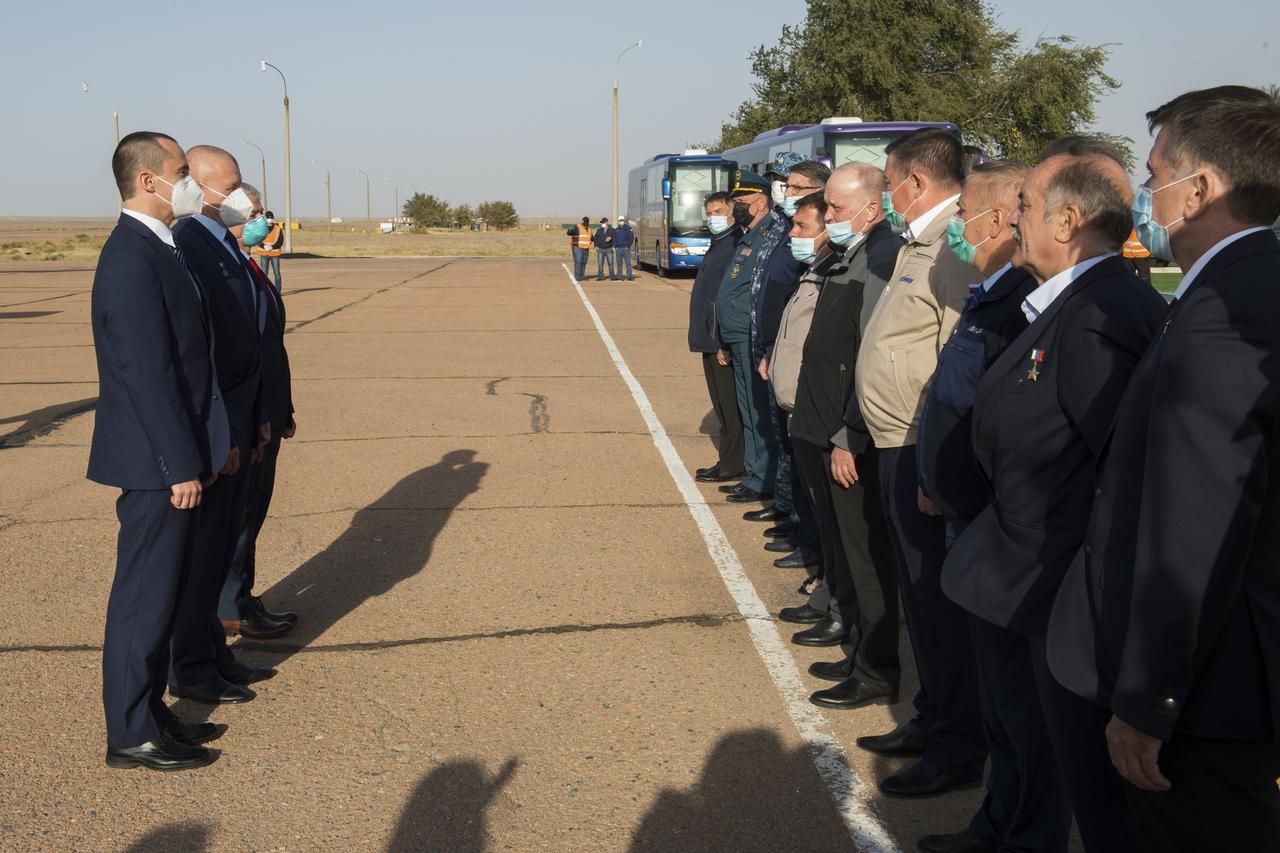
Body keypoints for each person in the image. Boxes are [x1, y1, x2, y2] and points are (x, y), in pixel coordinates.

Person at [1048, 86, 1280, 853]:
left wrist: (1151, 701)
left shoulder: (1223, 309)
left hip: (1209, 697)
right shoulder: (1237, 285)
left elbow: (1196, 525)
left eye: (1155, 175)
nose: (1148, 194)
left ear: (1203, 188)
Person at [943, 149, 1165, 851]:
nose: (1013, 219)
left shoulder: (1103, 312)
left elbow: (1119, 476)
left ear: (1070, 220)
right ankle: (1006, 828)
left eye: (1028, 208)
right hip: (1021, 572)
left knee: (1080, 777)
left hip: (1057, 583)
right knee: (1018, 727)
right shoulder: (1065, 303)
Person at [915, 161, 1066, 853]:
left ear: (1005, 213)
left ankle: (1026, 833)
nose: (963, 225)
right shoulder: (995, 294)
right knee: (1005, 707)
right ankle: (999, 822)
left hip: (1002, 533)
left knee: (1024, 711)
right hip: (972, 523)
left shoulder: (1024, 305)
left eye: (969, 210)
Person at [853, 129, 987, 798]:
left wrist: (938, 465)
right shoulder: (918, 245)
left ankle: (957, 744)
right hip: (895, 442)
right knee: (919, 596)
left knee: (936, 604)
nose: (887, 192)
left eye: (891, 180)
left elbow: (954, 366)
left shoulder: (950, 249)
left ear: (917, 183)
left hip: (918, 447)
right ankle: (934, 716)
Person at [91, 131, 228, 771]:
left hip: (173, 457)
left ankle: (153, 714)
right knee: (143, 600)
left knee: (163, 596)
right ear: (148, 180)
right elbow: (149, 374)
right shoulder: (129, 257)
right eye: (179, 172)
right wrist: (180, 466)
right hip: (156, 465)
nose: (190, 183)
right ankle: (129, 734)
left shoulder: (159, 247)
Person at [776, 168, 900, 716]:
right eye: (824, 211)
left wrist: (849, 432)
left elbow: (869, 355)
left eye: (835, 210)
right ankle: (852, 637)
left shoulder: (880, 258)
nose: (828, 221)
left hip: (842, 434)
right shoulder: (846, 258)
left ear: (870, 209)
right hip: (817, 424)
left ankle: (875, 667)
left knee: (865, 557)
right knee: (841, 544)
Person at [169, 145, 276, 705]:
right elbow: (203, 352)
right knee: (204, 552)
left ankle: (213, 655)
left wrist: (257, 416)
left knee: (216, 551)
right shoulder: (191, 246)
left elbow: (249, 344)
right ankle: (190, 667)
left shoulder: (224, 247)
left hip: (241, 417)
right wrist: (220, 432)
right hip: (219, 424)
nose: (240, 194)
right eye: (229, 184)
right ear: (202, 187)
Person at [218, 184, 298, 640]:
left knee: (254, 513)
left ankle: (241, 598)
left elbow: (270, 347)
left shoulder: (249, 265)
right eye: (253, 211)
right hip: (246, 418)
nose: (262, 219)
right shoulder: (223, 268)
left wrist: (282, 408)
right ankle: (231, 605)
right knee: (241, 517)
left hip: (266, 411)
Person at [757, 159, 832, 570]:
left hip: (809, 389)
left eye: (796, 187)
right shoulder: (806, 258)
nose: (786, 192)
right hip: (781, 366)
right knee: (792, 459)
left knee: (811, 478)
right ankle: (798, 526)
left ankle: (809, 542)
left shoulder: (832, 266)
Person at [715, 170, 779, 504]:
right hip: (736, 334)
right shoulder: (747, 234)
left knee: (757, 409)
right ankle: (753, 474)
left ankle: (762, 477)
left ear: (760, 203)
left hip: (751, 334)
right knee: (746, 406)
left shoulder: (770, 234)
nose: (734, 207)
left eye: (740, 202)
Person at [688, 192, 744, 485]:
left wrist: (723, 341)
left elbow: (728, 298)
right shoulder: (720, 243)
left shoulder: (735, 244)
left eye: (719, 211)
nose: (713, 217)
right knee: (721, 404)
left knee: (728, 404)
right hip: (708, 337)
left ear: (732, 212)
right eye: (709, 212)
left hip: (718, 338)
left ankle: (733, 463)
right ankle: (729, 459)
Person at [252, 210, 284, 288]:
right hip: (264, 254)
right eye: (268, 217)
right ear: (265, 218)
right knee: (264, 274)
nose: (270, 219)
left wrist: (272, 247)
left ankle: (277, 291)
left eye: (271, 217)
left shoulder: (278, 229)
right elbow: (257, 239)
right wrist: (264, 246)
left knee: (277, 273)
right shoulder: (261, 228)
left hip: (274, 254)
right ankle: (265, 290)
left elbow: (280, 241)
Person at [613, 216, 635, 281]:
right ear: (618, 221)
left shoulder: (628, 228)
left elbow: (631, 238)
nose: (621, 221)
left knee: (628, 263)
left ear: (624, 220)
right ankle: (619, 276)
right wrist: (615, 247)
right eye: (620, 220)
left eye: (622, 220)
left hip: (626, 249)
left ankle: (629, 276)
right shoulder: (616, 229)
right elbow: (614, 239)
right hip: (618, 249)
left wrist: (627, 246)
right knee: (619, 264)